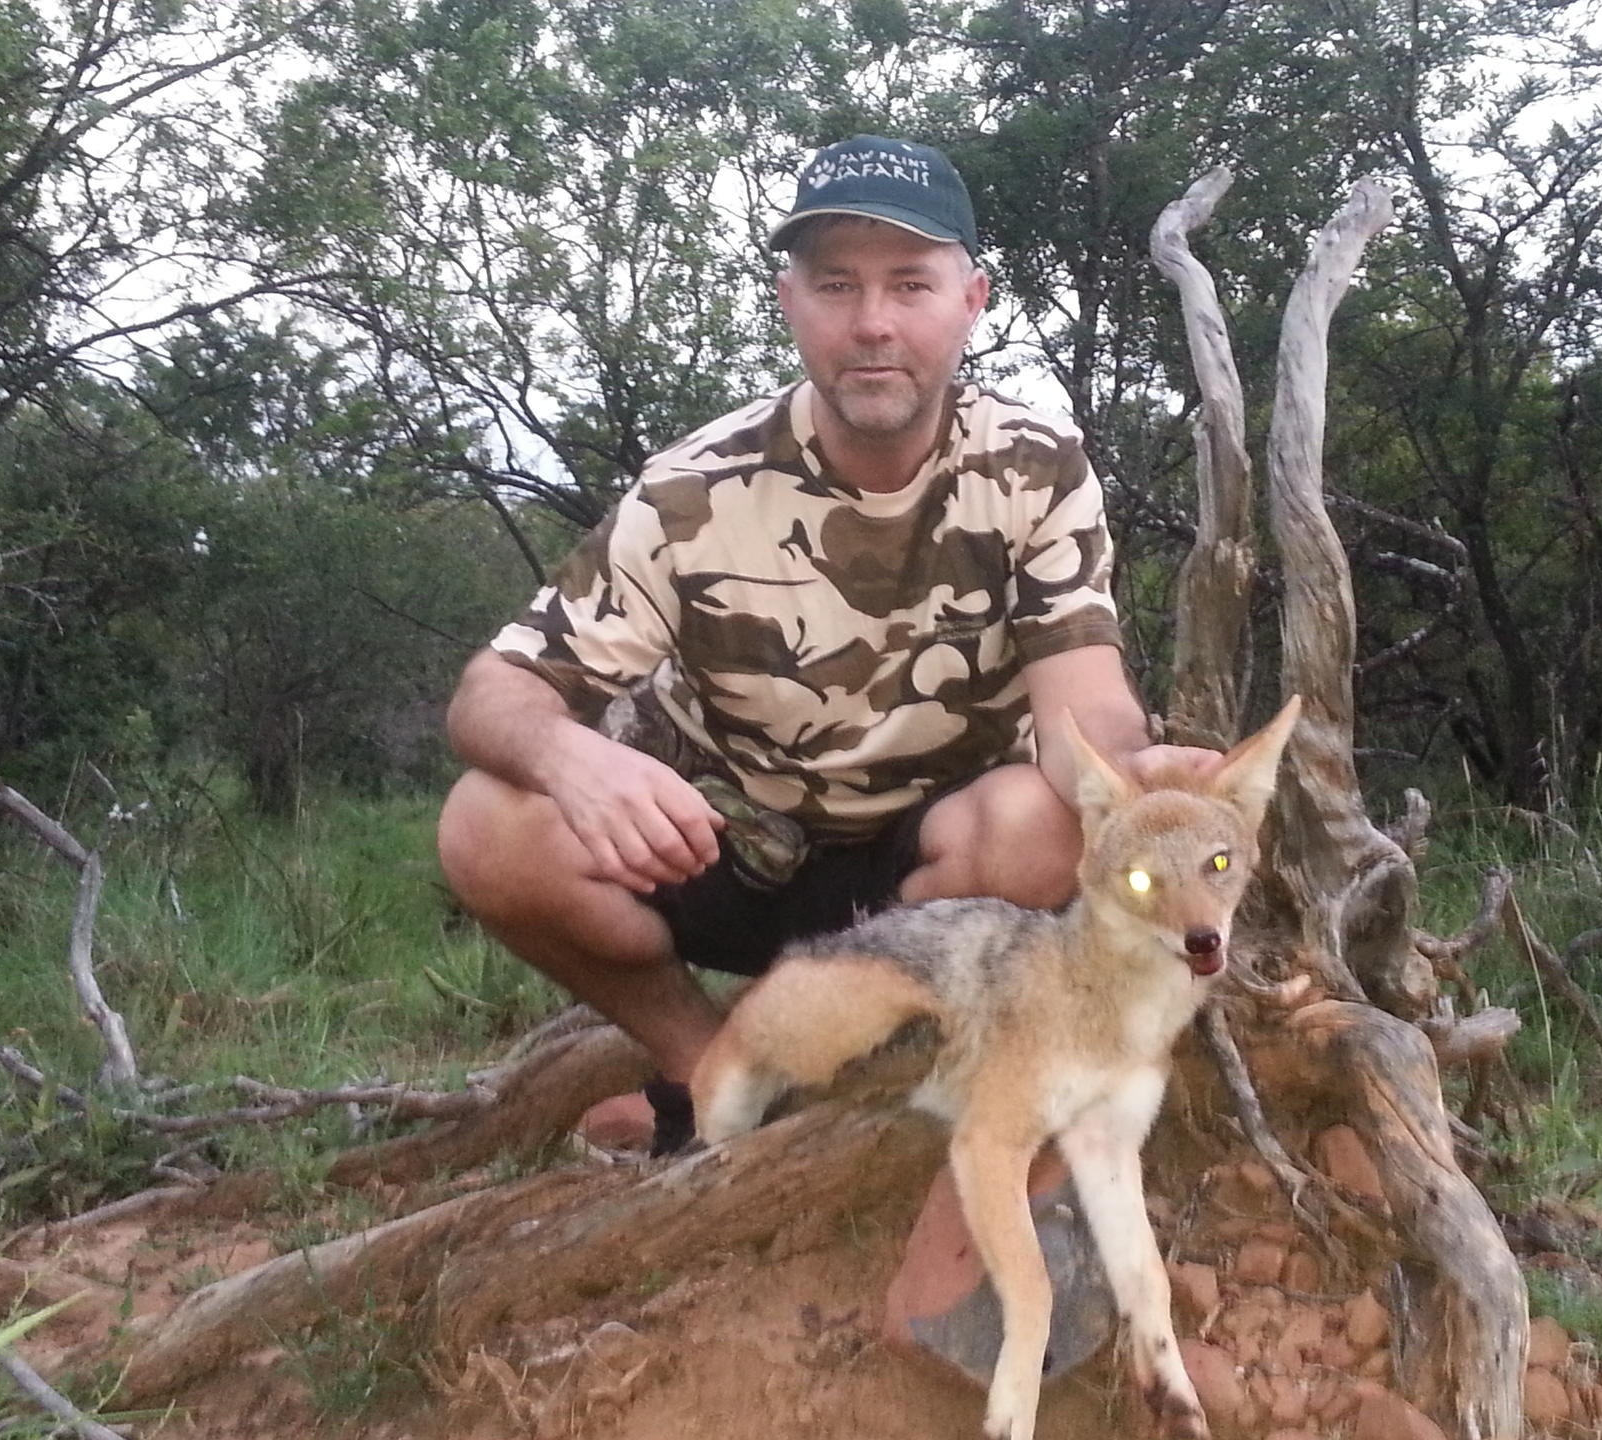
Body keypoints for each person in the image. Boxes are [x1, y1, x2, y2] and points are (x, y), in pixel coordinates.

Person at [437, 134, 1217, 1153]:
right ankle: (705, 1071)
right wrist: (566, 754)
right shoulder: (691, 487)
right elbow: (492, 691)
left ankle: (864, 1069)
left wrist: (1136, 781)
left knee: (1050, 824)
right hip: (729, 848)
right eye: (837, 284)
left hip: (922, 878)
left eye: (910, 284)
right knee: (487, 823)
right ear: (788, 300)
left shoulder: (1034, 466)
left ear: (971, 301)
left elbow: (1087, 707)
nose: (873, 323)